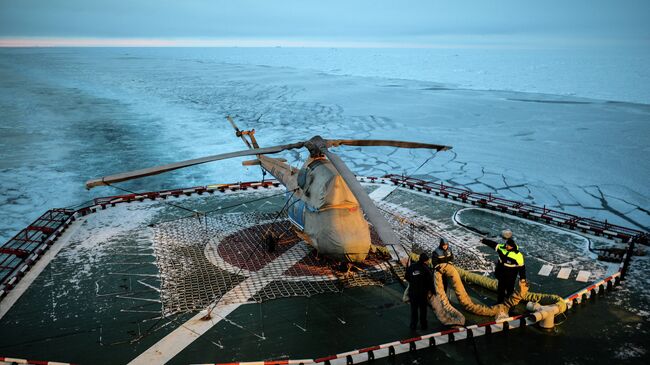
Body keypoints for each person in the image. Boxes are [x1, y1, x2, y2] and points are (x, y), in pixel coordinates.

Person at [481, 229, 526, 303]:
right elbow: (493, 244)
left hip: (510, 276)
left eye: (508, 245)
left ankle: (509, 305)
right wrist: (484, 241)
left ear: (512, 247)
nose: (506, 246)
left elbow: (522, 268)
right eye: (506, 244)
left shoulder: (518, 256)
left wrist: (523, 278)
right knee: (500, 289)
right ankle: (499, 303)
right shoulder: (502, 248)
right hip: (501, 274)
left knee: (510, 290)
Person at [405, 252, 434, 330]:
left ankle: (413, 325)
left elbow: (407, 277)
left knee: (414, 310)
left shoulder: (411, 267)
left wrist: (414, 281)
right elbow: (430, 282)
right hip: (422, 294)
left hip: (413, 293)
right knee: (423, 310)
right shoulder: (426, 269)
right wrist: (433, 291)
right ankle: (423, 325)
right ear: (425, 261)